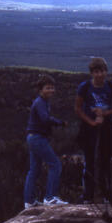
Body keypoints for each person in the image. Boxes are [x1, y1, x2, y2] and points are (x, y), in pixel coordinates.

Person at [75, 57, 112, 203]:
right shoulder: (85, 87)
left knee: (105, 160)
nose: (99, 75)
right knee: (89, 160)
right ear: (91, 73)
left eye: (102, 71)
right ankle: (88, 196)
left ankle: (106, 194)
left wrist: (105, 114)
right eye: (96, 72)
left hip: (106, 126)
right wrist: (91, 122)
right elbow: (77, 108)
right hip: (89, 127)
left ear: (106, 72)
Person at [23, 74, 69, 209]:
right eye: (48, 88)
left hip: (33, 138)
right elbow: (45, 119)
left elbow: (44, 118)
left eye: (53, 88)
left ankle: (29, 201)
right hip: (37, 139)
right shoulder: (40, 103)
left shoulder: (42, 102)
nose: (51, 90)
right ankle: (50, 198)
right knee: (55, 165)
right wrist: (59, 123)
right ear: (40, 89)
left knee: (34, 170)